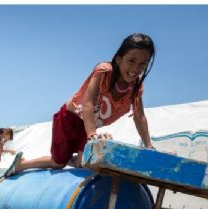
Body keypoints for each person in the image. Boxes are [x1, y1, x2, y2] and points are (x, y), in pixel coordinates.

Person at [9, 33, 156, 176]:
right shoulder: (104, 71)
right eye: (131, 61)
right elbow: (88, 104)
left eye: (143, 64)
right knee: (58, 162)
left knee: (85, 163)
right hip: (70, 118)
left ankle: (75, 159)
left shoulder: (136, 87)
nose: (136, 69)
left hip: (88, 125)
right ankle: (21, 164)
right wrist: (92, 134)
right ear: (118, 59)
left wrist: (148, 145)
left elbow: (139, 116)